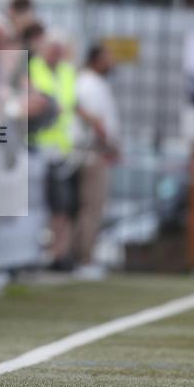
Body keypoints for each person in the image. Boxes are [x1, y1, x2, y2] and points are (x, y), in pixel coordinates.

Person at [29, 30, 79, 270]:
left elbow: (71, 105)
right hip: (38, 143)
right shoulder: (33, 67)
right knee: (40, 203)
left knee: (62, 205)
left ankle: (58, 252)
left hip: (60, 149)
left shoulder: (67, 71)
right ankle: (43, 251)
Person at [73, 44, 119, 279]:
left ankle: (84, 255)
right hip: (94, 152)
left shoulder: (93, 83)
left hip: (96, 151)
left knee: (91, 207)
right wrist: (110, 145)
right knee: (92, 207)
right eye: (108, 57)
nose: (112, 62)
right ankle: (85, 257)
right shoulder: (89, 84)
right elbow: (93, 119)